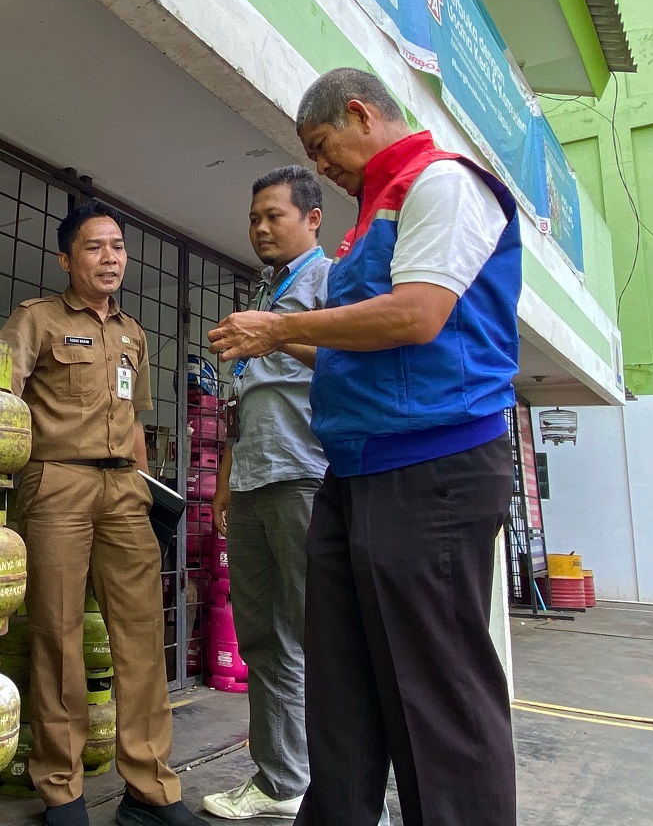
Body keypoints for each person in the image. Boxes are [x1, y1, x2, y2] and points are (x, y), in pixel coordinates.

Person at [208, 67, 522, 826]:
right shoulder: (368, 219)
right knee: (342, 696)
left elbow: (416, 317)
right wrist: (283, 342)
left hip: (431, 467)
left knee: (434, 693)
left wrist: (281, 328)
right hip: (353, 471)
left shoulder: (440, 185)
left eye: (321, 148)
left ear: (359, 114)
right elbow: (361, 345)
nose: (321, 166)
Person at [0, 199, 206, 826]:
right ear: (66, 258)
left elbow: (134, 420)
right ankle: (63, 790)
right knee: (58, 637)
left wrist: (145, 488)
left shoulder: (132, 333)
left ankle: (151, 790)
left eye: (117, 247)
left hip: (123, 491)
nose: (110, 258)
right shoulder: (38, 320)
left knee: (140, 638)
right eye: (94, 247)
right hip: (56, 484)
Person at [202, 166, 330, 820]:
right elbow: (244, 392)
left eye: (272, 216)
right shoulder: (267, 285)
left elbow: (351, 359)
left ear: (312, 218)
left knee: (328, 637)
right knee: (264, 638)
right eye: (254, 217)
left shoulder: (330, 281)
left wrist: (279, 332)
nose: (259, 228)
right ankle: (282, 782)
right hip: (254, 476)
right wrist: (226, 476)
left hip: (306, 473)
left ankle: (351, 792)